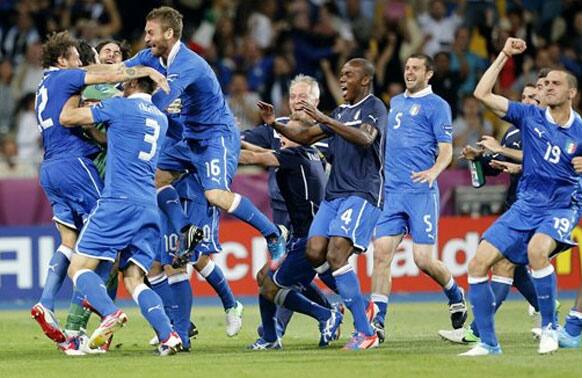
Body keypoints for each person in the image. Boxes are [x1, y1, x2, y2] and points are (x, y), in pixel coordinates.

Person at [30, 31, 167, 354]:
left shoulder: (44, 86)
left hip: (50, 167)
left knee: (70, 243)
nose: (84, 64)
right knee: (104, 247)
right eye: (78, 59)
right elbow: (111, 74)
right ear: (63, 61)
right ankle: (95, 321)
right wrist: (145, 70)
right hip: (80, 167)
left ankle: (46, 302)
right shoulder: (68, 77)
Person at [120, 6, 286, 264]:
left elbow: (160, 102)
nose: (146, 38)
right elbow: (120, 71)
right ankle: (187, 231)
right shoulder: (150, 57)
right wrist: (79, 77)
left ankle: (273, 234)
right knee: (154, 179)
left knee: (215, 195)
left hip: (215, 137)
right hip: (189, 137)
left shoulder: (188, 63)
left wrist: (116, 108)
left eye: (151, 33)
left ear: (169, 33)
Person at [462, 37, 582, 356]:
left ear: (571, 92)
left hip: (561, 205)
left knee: (536, 250)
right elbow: (482, 94)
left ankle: (549, 328)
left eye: (556, 83)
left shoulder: (580, 129)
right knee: (477, 263)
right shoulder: (528, 117)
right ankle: (488, 343)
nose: (548, 87)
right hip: (526, 204)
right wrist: (503, 54)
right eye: (545, 83)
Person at [258, 58, 388, 350]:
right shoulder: (341, 112)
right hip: (335, 196)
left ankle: (365, 331)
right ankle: (358, 306)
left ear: (365, 80)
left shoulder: (374, 107)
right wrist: (274, 123)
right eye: (340, 74)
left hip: (363, 192)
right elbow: (304, 136)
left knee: (337, 253)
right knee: (315, 251)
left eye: (348, 75)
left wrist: (325, 118)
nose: (342, 80)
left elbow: (366, 139)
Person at [60, 76, 181, 356]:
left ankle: (109, 313)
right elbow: (122, 141)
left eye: (123, 83)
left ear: (131, 86)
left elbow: (68, 118)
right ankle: (168, 335)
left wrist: (74, 87)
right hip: (148, 205)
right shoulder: (160, 118)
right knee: (134, 279)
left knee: (77, 268)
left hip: (118, 201)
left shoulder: (119, 107)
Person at [371, 53, 466, 343]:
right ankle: (377, 321)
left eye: (416, 68)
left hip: (421, 192)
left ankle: (454, 292)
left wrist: (434, 171)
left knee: (422, 259)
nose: (409, 72)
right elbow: (385, 145)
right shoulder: (396, 102)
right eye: (407, 67)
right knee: (381, 253)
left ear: (429, 74)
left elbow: (447, 150)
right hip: (393, 192)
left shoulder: (438, 106)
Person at [439, 83, 542, 344]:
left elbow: (535, 162)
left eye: (534, 96)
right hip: (514, 207)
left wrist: (500, 149)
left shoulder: (547, 131)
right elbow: (497, 169)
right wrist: (480, 158)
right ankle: (546, 309)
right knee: (513, 269)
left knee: (503, 263)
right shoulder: (512, 132)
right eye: (525, 96)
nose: (528, 101)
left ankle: (476, 330)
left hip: (538, 210)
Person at [241, 74, 331, 339]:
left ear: (316, 100)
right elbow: (252, 146)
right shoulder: (278, 127)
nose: (296, 102)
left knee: (310, 275)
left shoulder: (329, 131)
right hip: (284, 217)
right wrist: (227, 138)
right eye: (293, 97)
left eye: (303, 97)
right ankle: (323, 313)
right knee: (285, 277)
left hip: (316, 219)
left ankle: (349, 316)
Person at [240, 134, 342, 350]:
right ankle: (270, 337)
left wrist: (216, 150)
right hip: (308, 234)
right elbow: (260, 152)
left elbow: (251, 158)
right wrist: (238, 141)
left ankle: (326, 315)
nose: (281, 139)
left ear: (300, 137)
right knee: (265, 277)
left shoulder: (292, 156)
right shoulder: (313, 154)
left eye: (287, 135)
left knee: (270, 286)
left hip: (309, 238)